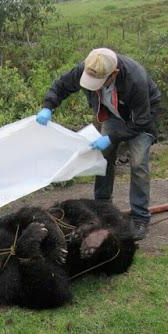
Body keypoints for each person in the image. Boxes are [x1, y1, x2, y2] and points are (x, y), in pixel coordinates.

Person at [36, 47, 161, 241]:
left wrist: (111, 138)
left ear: (114, 73)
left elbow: (142, 121)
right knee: (102, 159)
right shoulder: (89, 66)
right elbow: (61, 85)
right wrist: (48, 106)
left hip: (140, 118)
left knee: (138, 165)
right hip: (113, 115)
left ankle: (140, 218)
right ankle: (103, 208)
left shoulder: (135, 79)